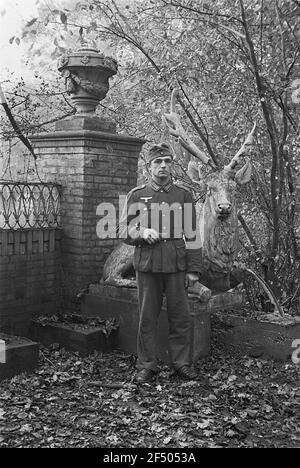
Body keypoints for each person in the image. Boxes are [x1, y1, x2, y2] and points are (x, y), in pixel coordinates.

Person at [120, 143, 202, 383]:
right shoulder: (137, 195)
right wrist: (142, 232)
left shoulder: (183, 195)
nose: (163, 166)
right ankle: (147, 365)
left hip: (177, 265)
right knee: (147, 317)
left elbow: (193, 234)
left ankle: (182, 364)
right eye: (158, 162)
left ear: (172, 164)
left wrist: (194, 270)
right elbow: (123, 229)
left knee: (181, 317)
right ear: (149, 166)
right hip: (148, 264)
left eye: (167, 161)